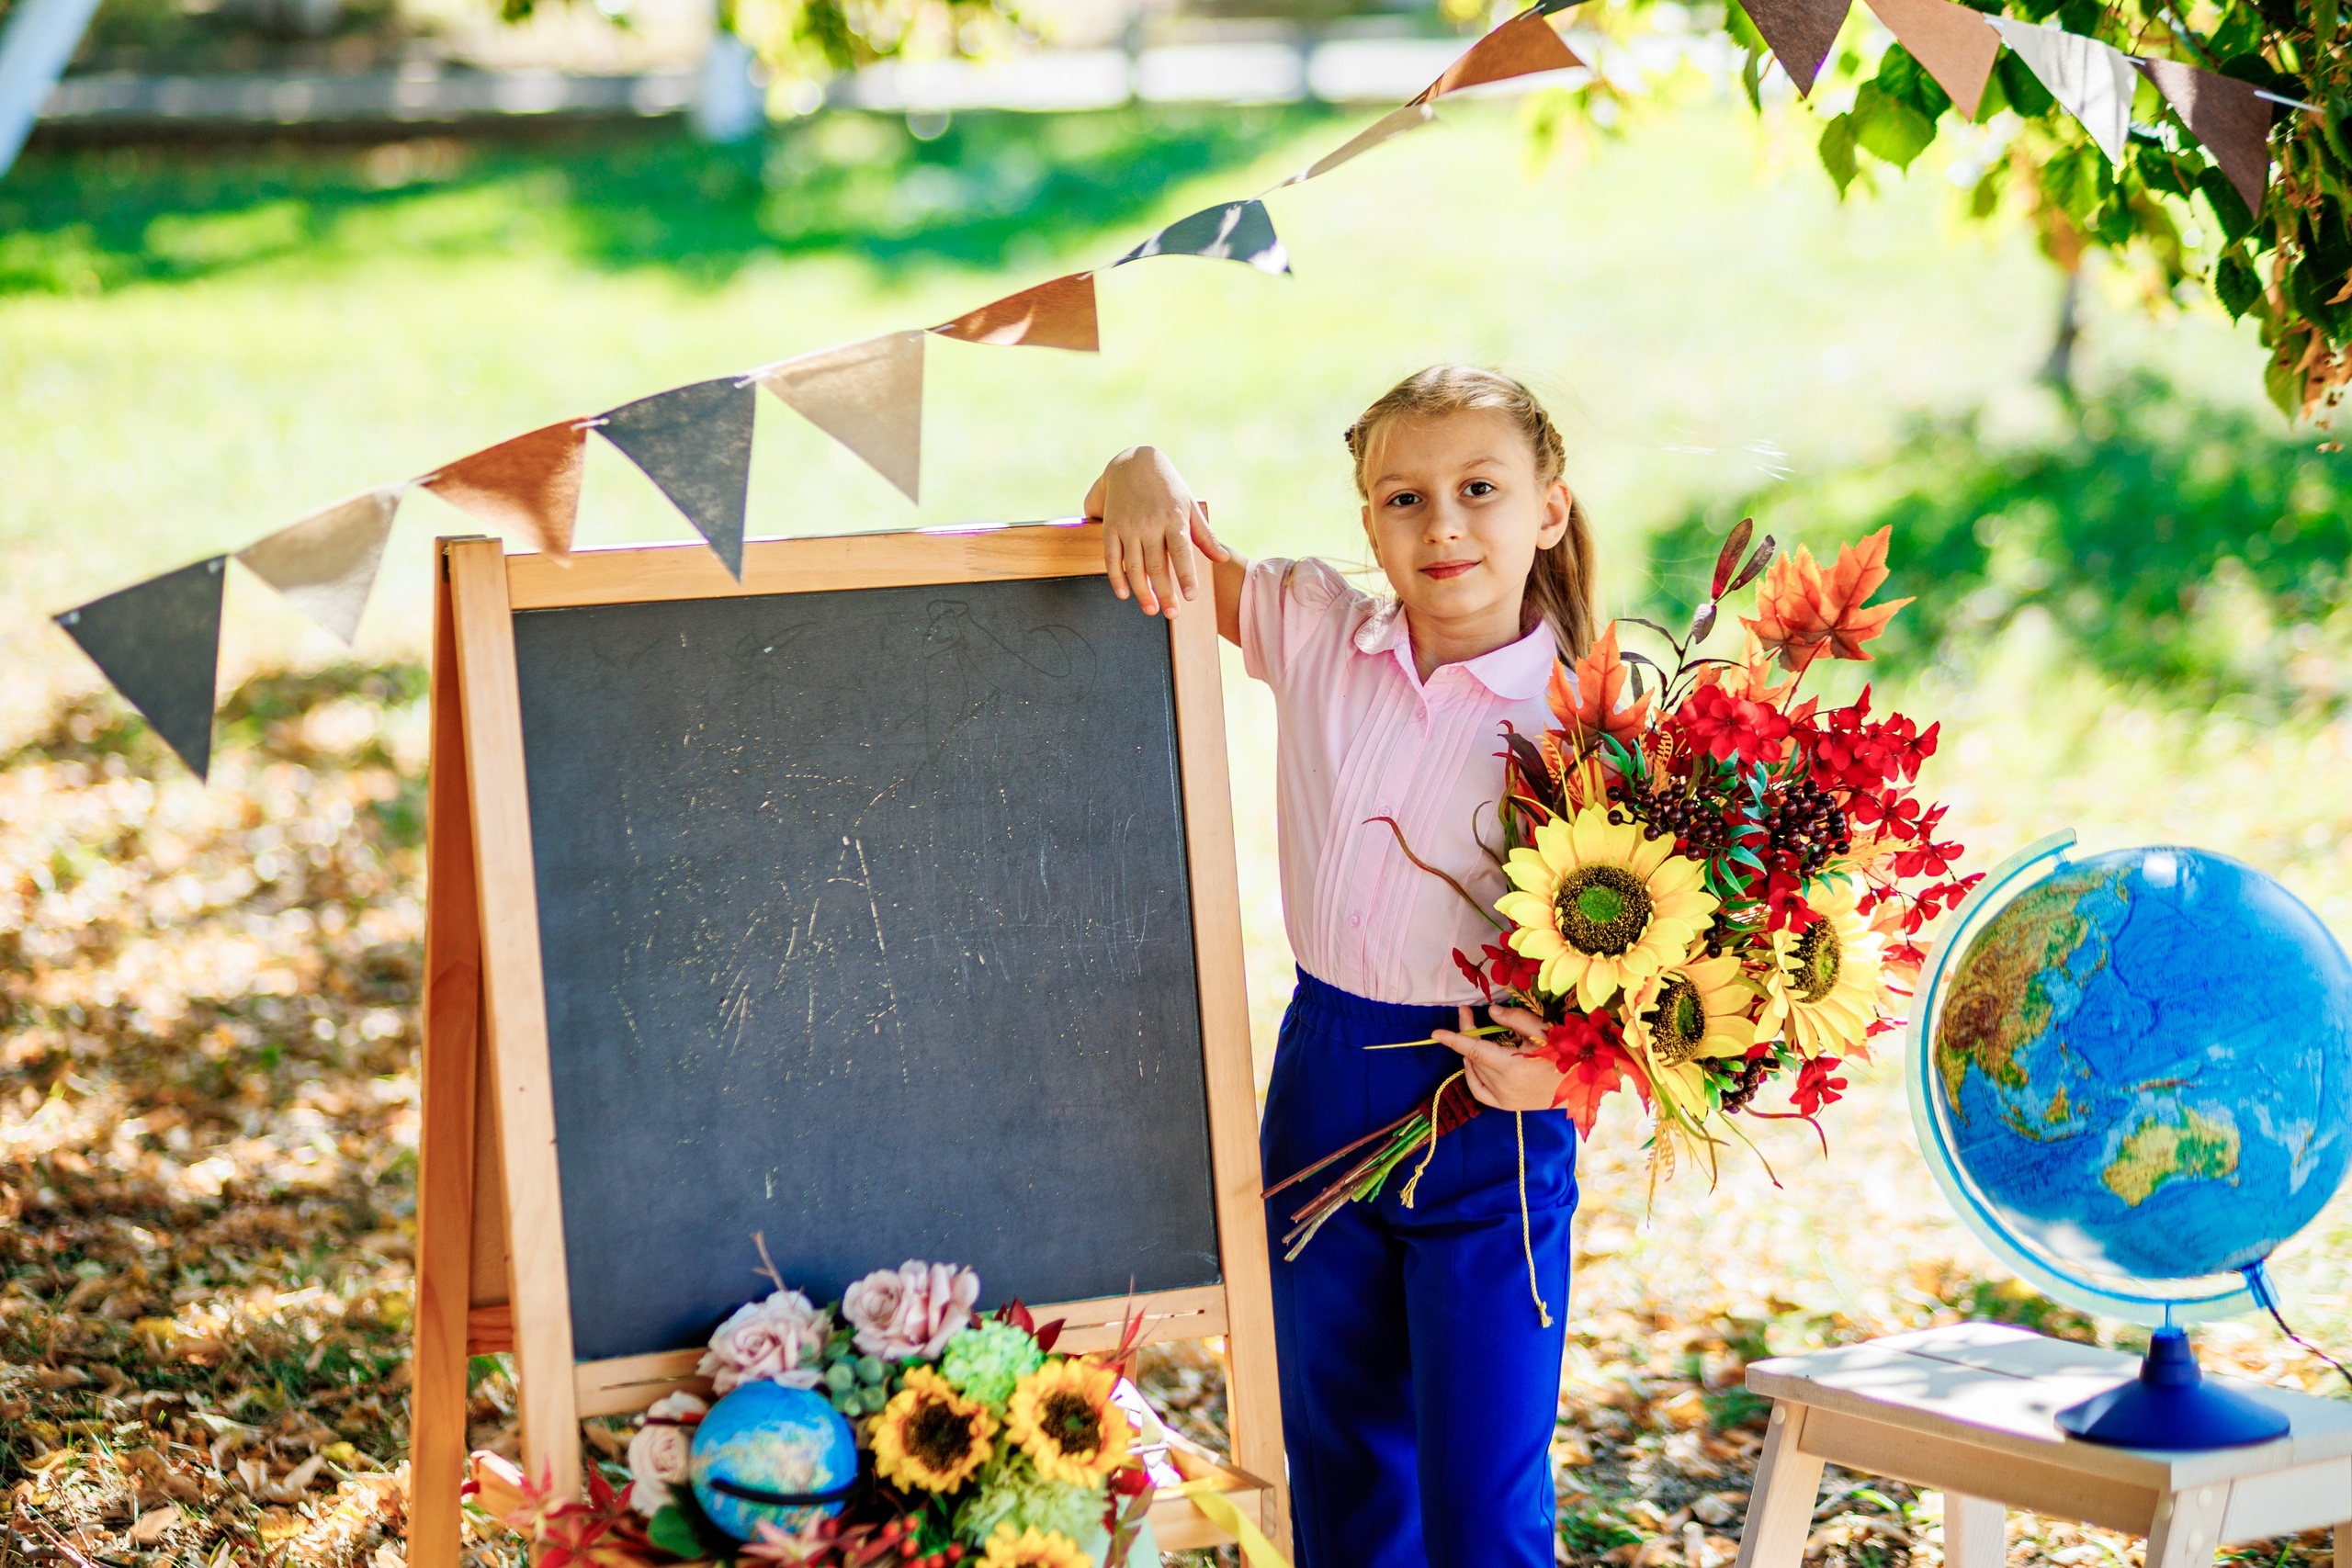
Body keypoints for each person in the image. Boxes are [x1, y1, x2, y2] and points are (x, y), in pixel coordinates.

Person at [1082, 366, 1595, 1568]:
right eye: (1402, 499)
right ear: (1368, 521)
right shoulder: (1317, 630)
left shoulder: (1593, 717)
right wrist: (1137, 468)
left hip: (1495, 1108)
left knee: (1484, 1502)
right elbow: (1151, 536)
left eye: (1480, 489)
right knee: (1342, 1468)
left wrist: (1560, 1078)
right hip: (1326, 1075)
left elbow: (1662, 993)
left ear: (1550, 511)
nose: (1444, 524)